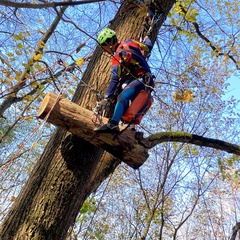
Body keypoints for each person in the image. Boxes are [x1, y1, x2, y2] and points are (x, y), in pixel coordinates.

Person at [94, 28, 154, 133]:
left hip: (142, 79)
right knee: (126, 91)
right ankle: (131, 127)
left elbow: (114, 78)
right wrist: (147, 38)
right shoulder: (130, 42)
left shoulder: (118, 55)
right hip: (147, 80)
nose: (105, 51)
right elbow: (148, 46)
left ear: (109, 43)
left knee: (122, 97)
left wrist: (107, 98)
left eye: (104, 47)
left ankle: (113, 124)